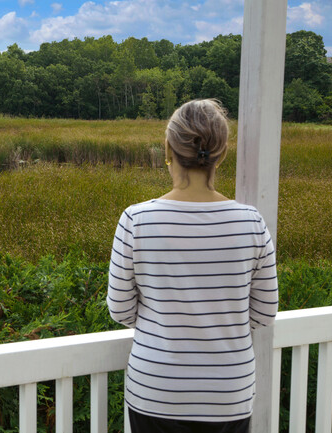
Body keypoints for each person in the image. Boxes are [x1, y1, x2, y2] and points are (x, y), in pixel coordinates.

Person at [107, 99, 278, 433]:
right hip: (229, 391)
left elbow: (120, 309)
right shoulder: (251, 222)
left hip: (156, 388)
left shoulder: (136, 220)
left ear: (168, 150)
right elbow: (263, 313)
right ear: (223, 153)